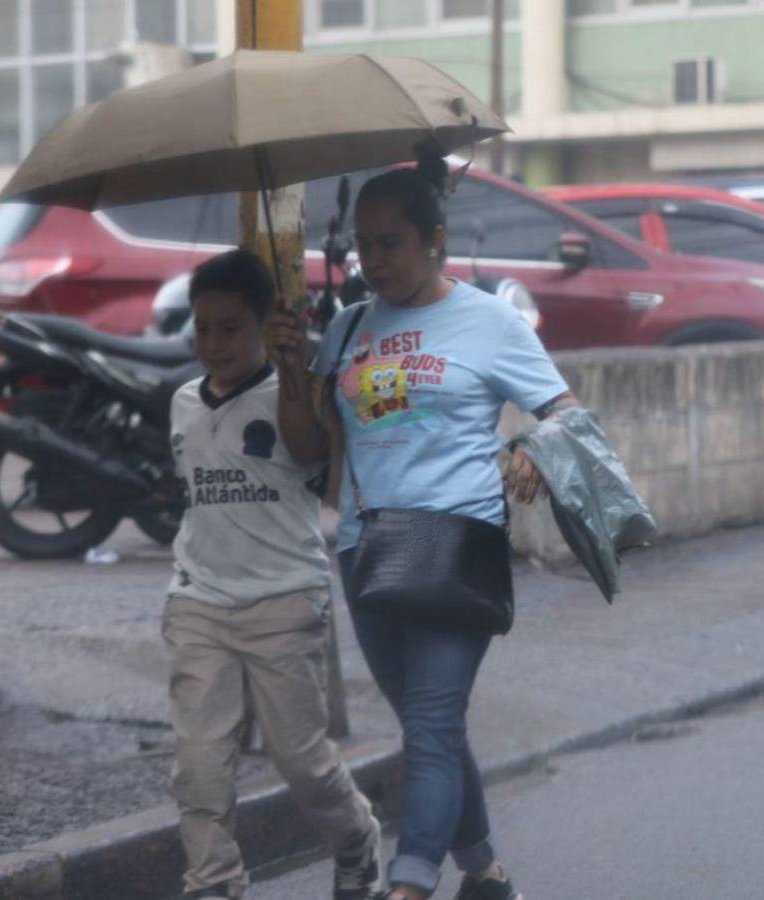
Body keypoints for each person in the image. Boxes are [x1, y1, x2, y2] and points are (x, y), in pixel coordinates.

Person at [266, 156, 577, 900]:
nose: (373, 262)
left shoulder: (490, 322)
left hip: (456, 544)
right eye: (364, 245)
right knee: (428, 723)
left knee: (431, 727)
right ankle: (487, 874)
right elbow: (310, 452)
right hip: (364, 550)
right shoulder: (345, 330)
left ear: (434, 239)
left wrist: (535, 446)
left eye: (391, 244)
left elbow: (568, 414)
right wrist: (288, 370)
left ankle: (407, 885)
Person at [163, 249, 383, 900]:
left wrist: (293, 367)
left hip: (284, 603)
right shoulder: (180, 402)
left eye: (231, 328)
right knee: (199, 768)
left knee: (304, 765)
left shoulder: (297, 391)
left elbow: (308, 449)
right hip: (198, 604)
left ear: (263, 324)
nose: (214, 343)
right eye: (203, 328)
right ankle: (214, 884)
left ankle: (356, 840)